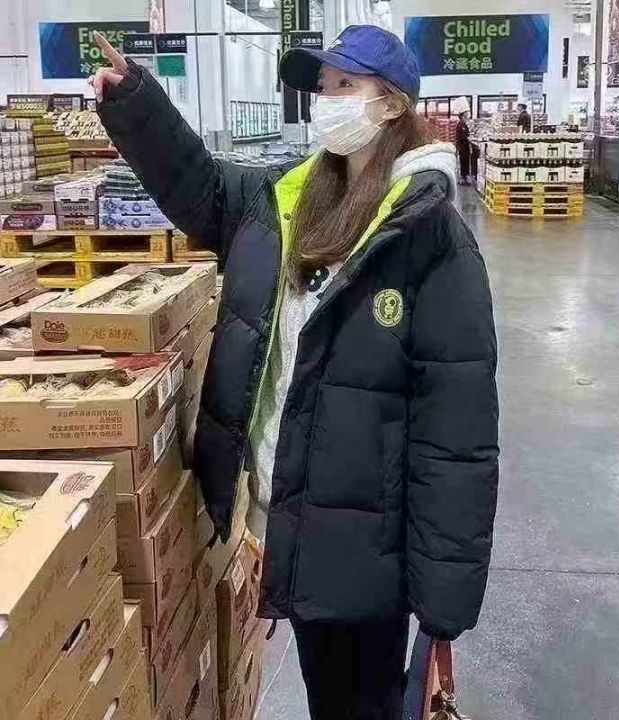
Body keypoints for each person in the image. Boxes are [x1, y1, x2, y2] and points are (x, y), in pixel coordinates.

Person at [90, 25, 499, 720]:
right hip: (295, 517)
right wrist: (136, 103)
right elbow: (204, 189)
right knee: (328, 693)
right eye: (322, 87)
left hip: (369, 546)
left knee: (362, 699)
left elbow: (457, 435)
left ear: (392, 105)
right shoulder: (293, 199)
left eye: (345, 86)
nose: (325, 101)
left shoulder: (430, 236)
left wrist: (442, 603)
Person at [455, 109, 472, 184]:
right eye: (465, 115)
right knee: (463, 161)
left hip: (465, 146)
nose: (466, 116)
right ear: (462, 116)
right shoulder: (460, 125)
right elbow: (462, 136)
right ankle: (463, 177)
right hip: (462, 146)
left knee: (466, 161)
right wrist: (469, 138)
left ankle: (465, 176)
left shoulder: (464, 124)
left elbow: (467, 134)